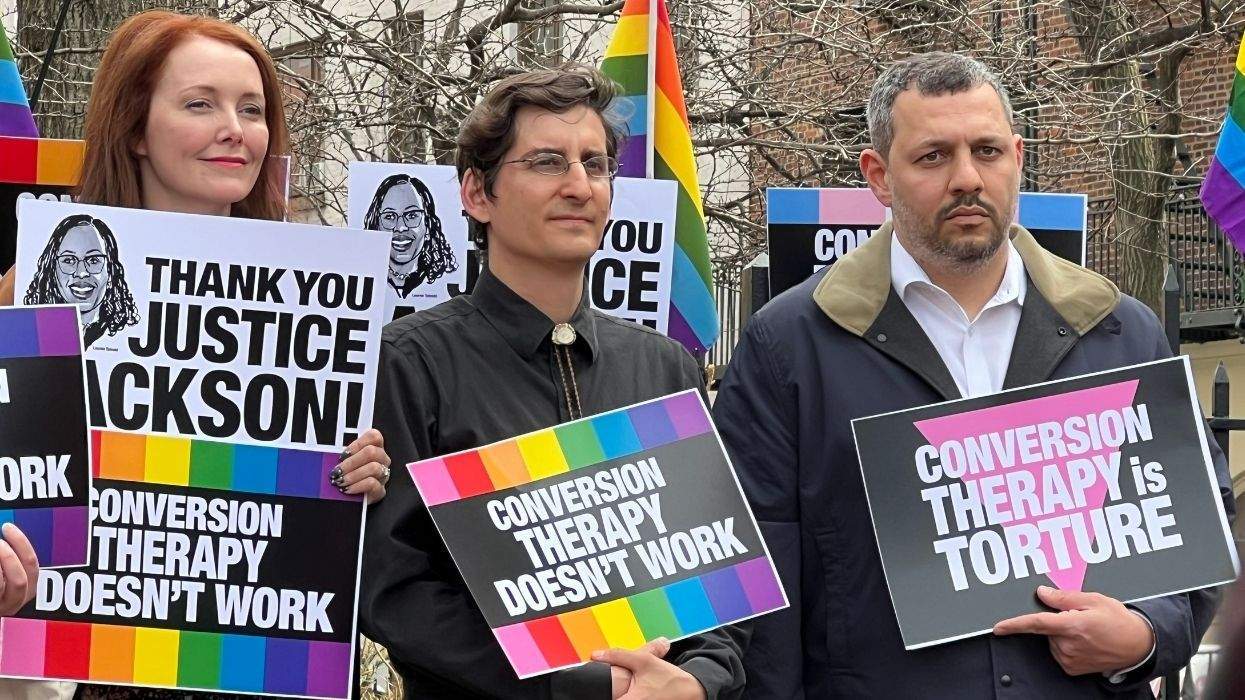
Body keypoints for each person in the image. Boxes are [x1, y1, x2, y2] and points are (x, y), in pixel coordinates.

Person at [713, 51, 1234, 698]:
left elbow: (1193, 519)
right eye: (932, 156)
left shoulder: (1117, 331)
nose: (966, 177)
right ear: (878, 175)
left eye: (986, 151)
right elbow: (755, 581)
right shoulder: (789, 342)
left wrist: (1147, 635)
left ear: (1016, 156)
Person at [0, 10, 392, 700]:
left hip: (255, 670)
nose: (234, 130)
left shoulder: (320, 304)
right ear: (133, 129)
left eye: (252, 109)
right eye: (199, 104)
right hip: (73, 671)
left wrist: (353, 474)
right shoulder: (25, 298)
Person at [361, 65, 745, 700]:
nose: (578, 186)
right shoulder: (408, 363)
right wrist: (588, 687)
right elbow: (396, 591)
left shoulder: (664, 367)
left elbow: (718, 573)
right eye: (545, 163)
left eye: (594, 165)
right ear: (477, 195)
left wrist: (697, 683)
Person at [23, 214, 140, 348]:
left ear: (111, 269)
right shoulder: (31, 333)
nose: (82, 273)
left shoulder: (124, 337)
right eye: (69, 260)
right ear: (52, 269)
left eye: (93, 260)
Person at [363, 173, 458, 298]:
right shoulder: (361, 279)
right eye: (389, 216)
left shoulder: (447, 284)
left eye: (412, 215)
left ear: (428, 224)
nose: (401, 227)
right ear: (376, 225)